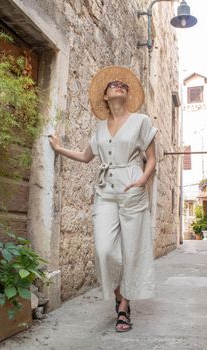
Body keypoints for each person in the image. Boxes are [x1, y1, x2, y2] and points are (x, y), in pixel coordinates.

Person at [48, 66, 158, 332]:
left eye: (123, 84)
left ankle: (123, 308)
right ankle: (120, 293)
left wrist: (141, 180)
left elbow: (152, 158)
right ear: (105, 96)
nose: (118, 85)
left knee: (132, 248)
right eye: (113, 84)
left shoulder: (141, 121)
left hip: (131, 185)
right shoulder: (98, 127)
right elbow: (87, 157)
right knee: (104, 250)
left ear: (127, 94)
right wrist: (59, 148)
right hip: (105, 191)